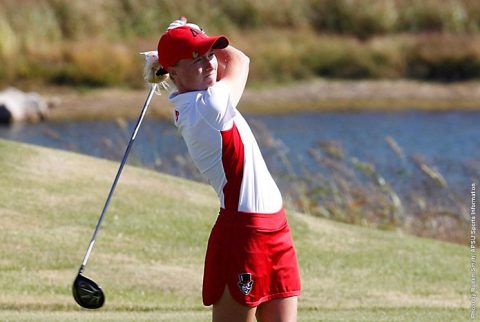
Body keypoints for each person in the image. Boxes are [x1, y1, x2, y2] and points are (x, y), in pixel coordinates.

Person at [156, 18, 301, 322]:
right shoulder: (208, 106)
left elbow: (215, 62)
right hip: (243, 235)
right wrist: (197, 30)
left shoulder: (202, 99)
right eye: (195, 59)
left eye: (208, 54)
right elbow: (239, 60)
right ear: (173, 71)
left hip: (275, 227)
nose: (208, 63)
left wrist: (192, 39)